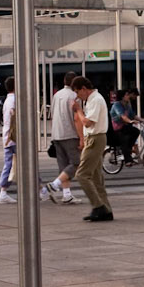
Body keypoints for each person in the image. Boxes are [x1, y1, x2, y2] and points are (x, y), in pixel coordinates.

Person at [71, 77, 114, 221]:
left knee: (82, 174)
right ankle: (106, 209)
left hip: (95, 138)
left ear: (84, 88)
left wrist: (78, 110)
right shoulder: (91, 100)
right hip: (95, 138)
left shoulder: (95, 99)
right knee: (96, 177)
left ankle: (98, 206)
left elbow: (88, 123)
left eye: (78, 92)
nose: (78, 96)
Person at [46, 74, 81, 205]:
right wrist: (81, 137)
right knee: (76, 162)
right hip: (70, 133)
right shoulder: (73, 96)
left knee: (63, 166)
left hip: (56, 133)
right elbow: (76, 117)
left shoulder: (57, 95)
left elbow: (52, 114)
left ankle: (66, 194)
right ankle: (54, 185)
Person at [0, 82, 17, 203]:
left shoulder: (7, 100)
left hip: (9, 137)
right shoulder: (13, 100)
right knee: (11, 164)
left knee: (11, 164)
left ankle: (41, 189)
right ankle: (3, 191)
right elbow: (13, 117)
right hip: (13, 138)